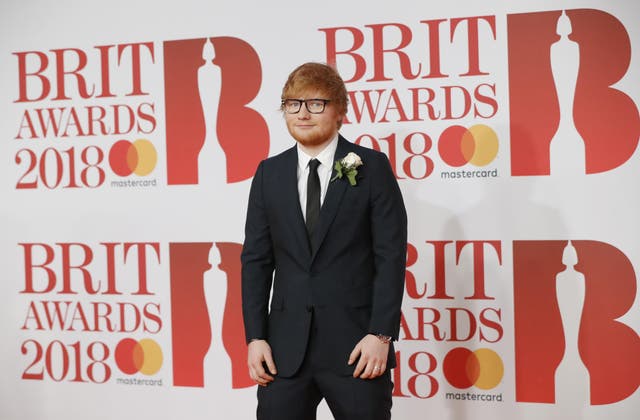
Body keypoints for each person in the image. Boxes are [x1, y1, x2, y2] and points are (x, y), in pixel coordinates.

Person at [241, 62, 407, 420]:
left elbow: (390, 257)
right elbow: (256, 261)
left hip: (357, 351)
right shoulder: (269, 173)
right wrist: (255, 338)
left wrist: (380, 335)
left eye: (316, 103)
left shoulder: (371, 167)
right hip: (284, 354)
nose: (303, 113)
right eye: (292, 103)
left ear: (341, 111)